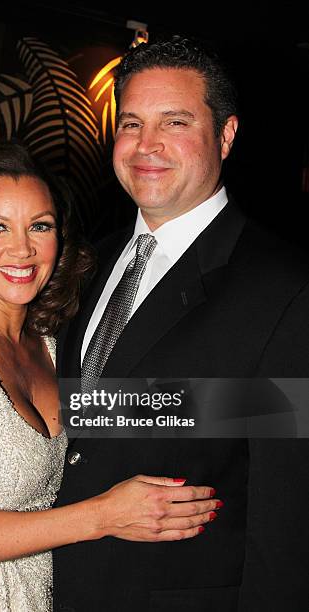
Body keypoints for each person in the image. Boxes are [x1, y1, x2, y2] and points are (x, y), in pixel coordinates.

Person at [0, 142, 220, 612]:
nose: (22, 248)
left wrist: (275, 405)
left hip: (35, 596)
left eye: (40, 226)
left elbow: (142, 407)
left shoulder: (53, 345)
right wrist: (107, 515)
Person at [54, 36, 309, 611]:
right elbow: (82, 420)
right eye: (132, 123)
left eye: (174, 122)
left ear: (226, 135)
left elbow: (289, 520)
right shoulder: (82, 262)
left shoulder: (286, 289)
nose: (146, 145)